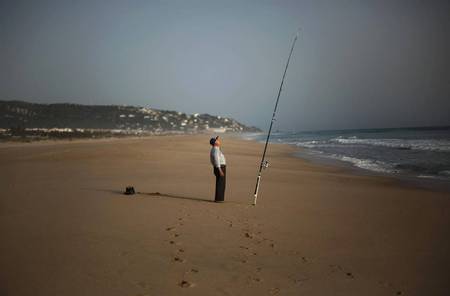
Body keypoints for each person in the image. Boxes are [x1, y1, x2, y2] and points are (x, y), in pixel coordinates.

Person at [210, 136, 226, 202]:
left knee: (220, 183)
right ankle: (219, 199)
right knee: (221, 183)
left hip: (218, 167)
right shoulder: (215, 149)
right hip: (220, 167)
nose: (219, 141)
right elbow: (216, 160)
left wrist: (216, 139)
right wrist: (220, 170)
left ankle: (219, 198)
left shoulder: (215, 148)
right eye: (217, 141)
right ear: (215, 143)